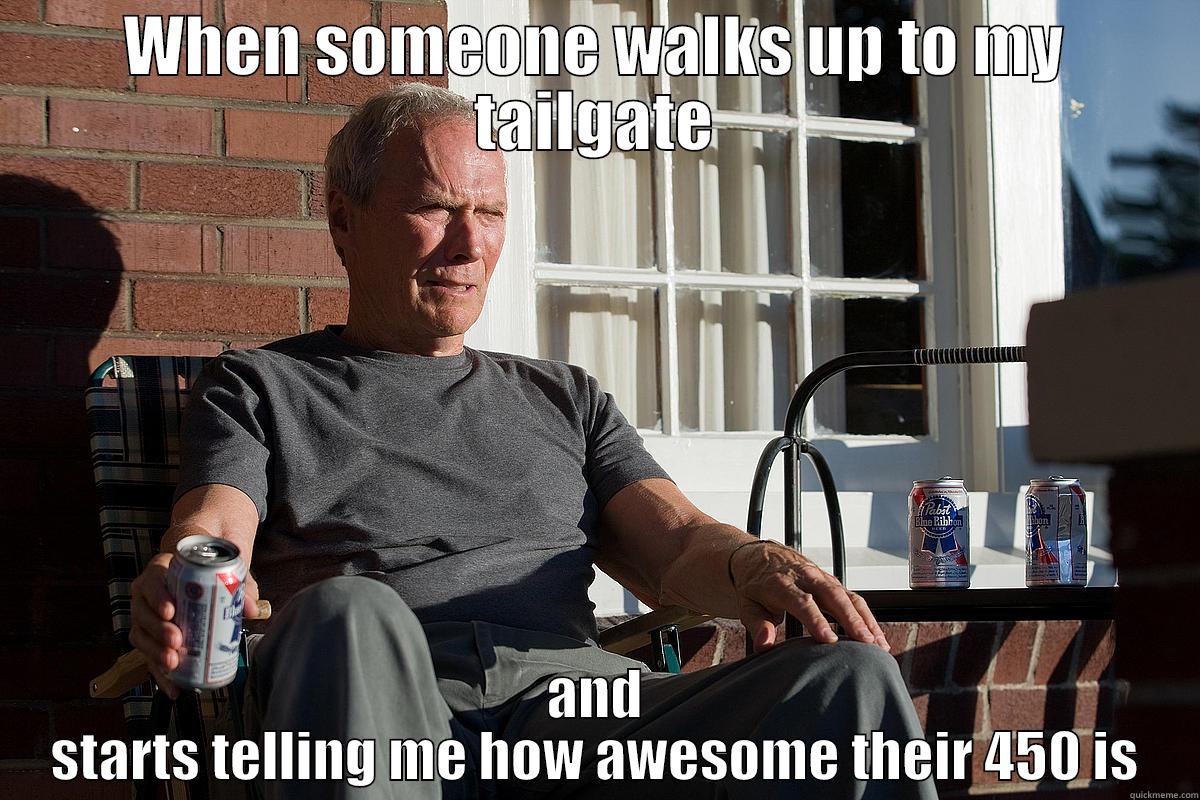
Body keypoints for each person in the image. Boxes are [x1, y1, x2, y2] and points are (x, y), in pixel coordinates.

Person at [128, 83, 934, 799]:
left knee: (848, 681)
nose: (468, 245)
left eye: (489, 214)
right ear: (344, 218)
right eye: (435, 208)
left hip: (577, 718)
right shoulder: (262, 385)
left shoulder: (564, 397)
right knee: (348, 608)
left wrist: (751, 561)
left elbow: (677, 541)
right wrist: (181, 575)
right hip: (388, 709)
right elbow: (214, 527)